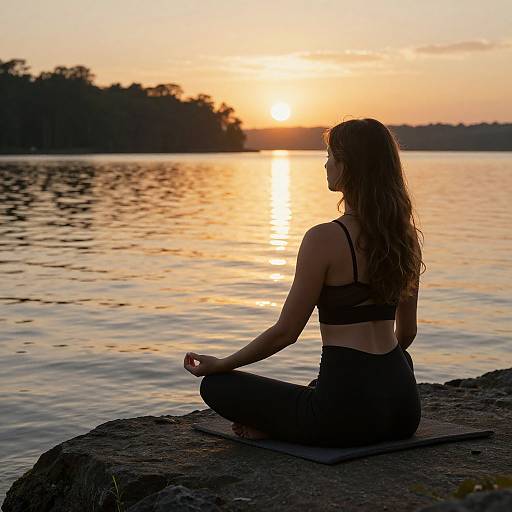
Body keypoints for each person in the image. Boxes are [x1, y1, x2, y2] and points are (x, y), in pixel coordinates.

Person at [184, 118, 426, 447]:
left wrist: (221, 364)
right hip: (403, 412)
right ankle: (308, 410)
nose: (325, 164)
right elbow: (407, 334)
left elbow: (286, 332)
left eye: (330, 155)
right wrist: (377, 380)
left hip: (343, 420)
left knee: (215, 387)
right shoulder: (404, 236)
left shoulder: (324, 238)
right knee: (331, 383)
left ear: (347, 166)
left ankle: (279, 427)